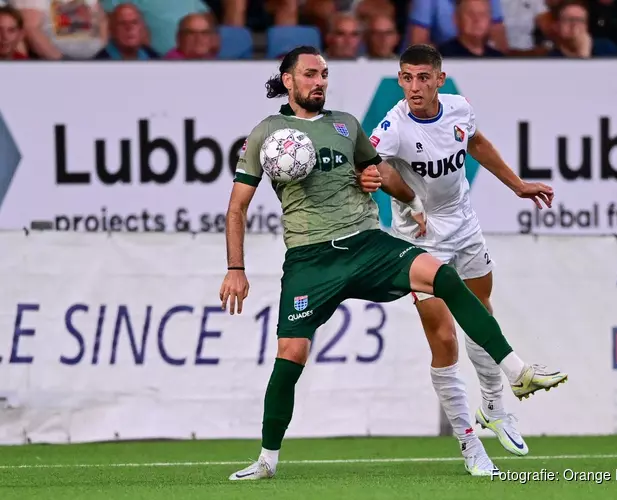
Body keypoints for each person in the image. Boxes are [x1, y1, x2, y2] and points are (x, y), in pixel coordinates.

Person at [220, 45, 563, 481]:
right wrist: (236, 268)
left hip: (367, 244)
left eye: (324, 74)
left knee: (443, 277)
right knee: (290, 355)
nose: (319, 82)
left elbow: (378, 171)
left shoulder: (346, 125)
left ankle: (516, 372)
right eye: (310, 74)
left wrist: (407, 199)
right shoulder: (267, 134)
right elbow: (237, 208)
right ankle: (267, 460)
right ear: (288, 80)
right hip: (311, 258)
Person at [362, 44, 568, 466]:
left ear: (439, 78)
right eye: (406, 77)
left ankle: (493, 408)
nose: (414, 87)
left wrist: (518, 185)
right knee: (443, 339)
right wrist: (410, 202)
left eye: (423, 77)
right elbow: (372, 166)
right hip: (420, 240)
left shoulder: (458, 108)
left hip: (465, 225)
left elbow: (477, 143)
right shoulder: (394, 126)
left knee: (479, 311)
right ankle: (468, 443)